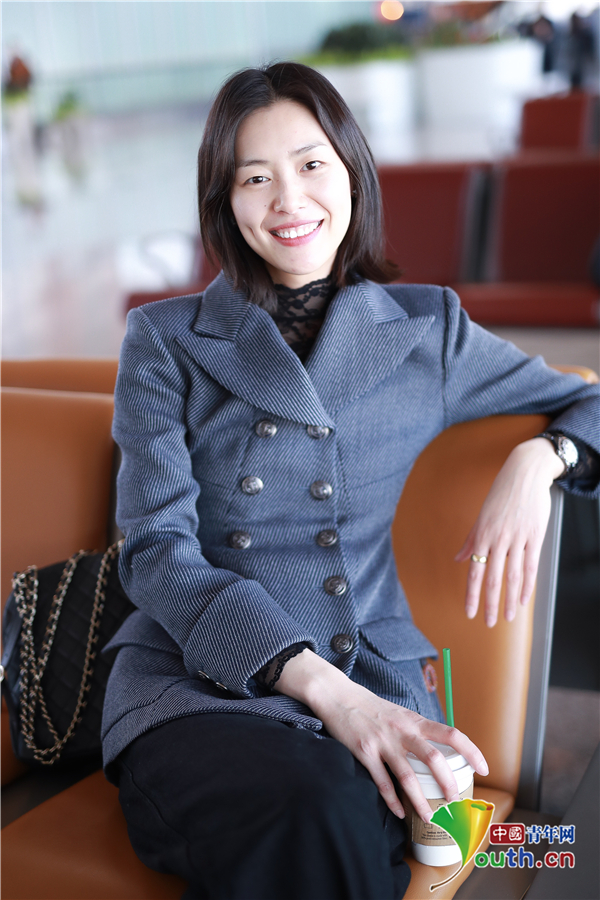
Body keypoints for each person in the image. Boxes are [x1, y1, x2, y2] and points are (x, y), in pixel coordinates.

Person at [102, 62, 600, 900]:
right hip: (197, 685)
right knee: (317, 808)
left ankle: (507, 846)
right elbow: (155, 553)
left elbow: (589, 400)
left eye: (310, 165)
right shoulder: (164, 340)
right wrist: (328, 696)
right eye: (254, 178)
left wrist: (540, 459)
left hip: (371, 670)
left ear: (352, 174)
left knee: (526, 846)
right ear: (225, 202)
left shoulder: (427, 328)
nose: (288, 200)